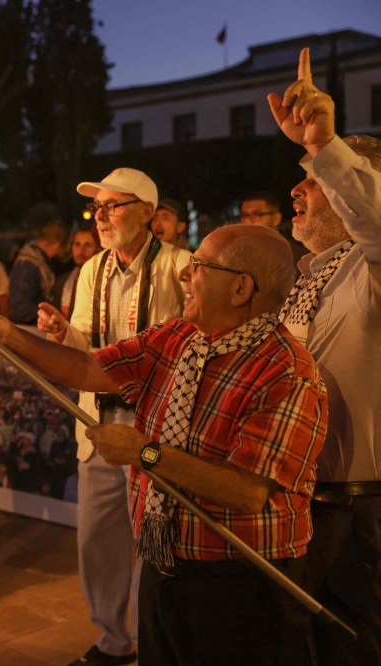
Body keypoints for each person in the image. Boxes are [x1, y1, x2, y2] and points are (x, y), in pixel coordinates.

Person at [0, 223, 327, 666]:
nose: (183, 275)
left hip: (242, 579)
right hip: (165, 560)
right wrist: (8, 334)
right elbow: (86, 370)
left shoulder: (287, 370)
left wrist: (143, 452)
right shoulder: (177, 337)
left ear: (240, 289)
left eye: (199, 266)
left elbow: (248, 491)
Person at [37, 167, 191, 666]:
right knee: (99, 541)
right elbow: (84, 341)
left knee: (157, 540)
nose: (101, 217)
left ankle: (157, 640)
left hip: (156, 429)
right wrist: (64, 332)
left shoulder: (181, 265)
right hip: (100, 425)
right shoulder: (90, 271)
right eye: (96, 208)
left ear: (148, 211)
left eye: (113, 206)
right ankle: (112, 641)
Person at [269, 47, 381, 665]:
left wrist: (327, 145)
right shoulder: (307, 277)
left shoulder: (373, 267)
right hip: (300, 501)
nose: (298, 186)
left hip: (363, 510)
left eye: (313, 178)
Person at [9, 221, 69, 324]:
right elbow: (20, 309)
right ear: (56, 247)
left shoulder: (38, 263)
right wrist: (52, 313)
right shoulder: (28, 265)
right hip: (30, 332)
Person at [240, 192, 305, 265]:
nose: (248, 220)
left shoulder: (295, 257)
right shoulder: (238, 254)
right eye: (244, 215)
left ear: (276, 219)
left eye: (256, 214)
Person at [58, 226, 100, 320]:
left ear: (98, 249)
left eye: (88, 245)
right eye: (77, 244)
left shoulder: (104, 282)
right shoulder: (62, 282)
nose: (81, 251)